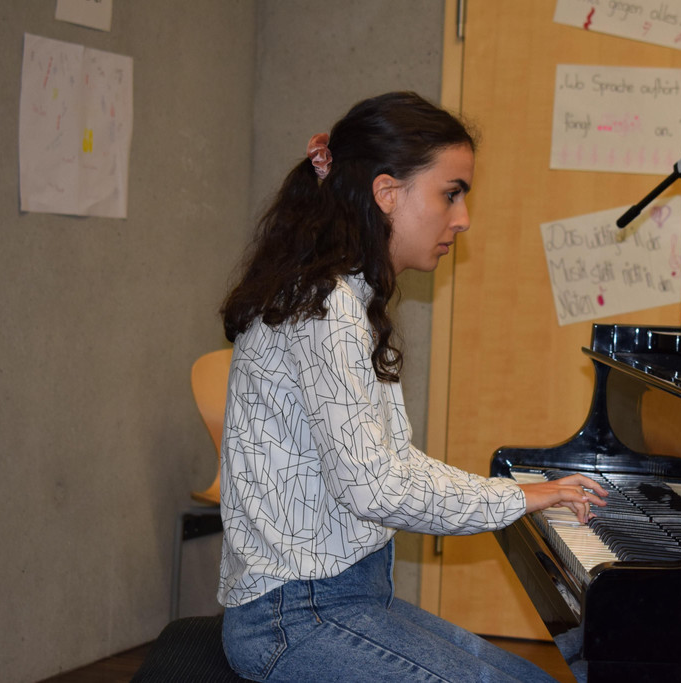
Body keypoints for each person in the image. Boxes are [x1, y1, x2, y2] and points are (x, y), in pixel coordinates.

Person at [216, 91, 607, 683]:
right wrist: (519, 499)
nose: (463, 218)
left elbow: (391, 464)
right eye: (451, 193)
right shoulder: (326, 308)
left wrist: (520, 493)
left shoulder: (346, 297)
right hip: (294, 618)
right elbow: (375, 489)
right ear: (387, 193)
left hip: (342, 598)